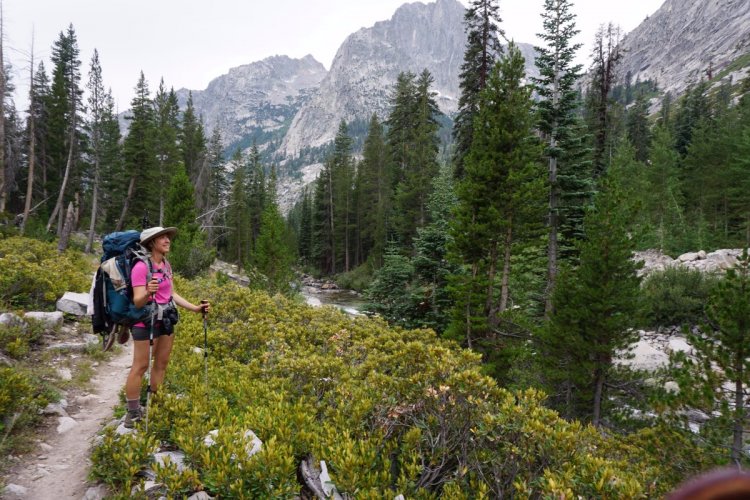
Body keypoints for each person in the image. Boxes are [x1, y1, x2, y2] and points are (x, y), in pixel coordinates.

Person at [123, 226, 210, 427]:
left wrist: (195, 309)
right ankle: (133, 412)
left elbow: (171, 294)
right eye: (162, 237)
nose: (167, 240)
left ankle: (156, 404)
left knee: (161, 364)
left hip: (166, 319)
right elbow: (137, 301)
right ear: (152, 243)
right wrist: (147, 292)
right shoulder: (141, 267)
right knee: (141, 365)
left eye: (167, 237)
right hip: (144, 320)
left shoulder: (166, 265)